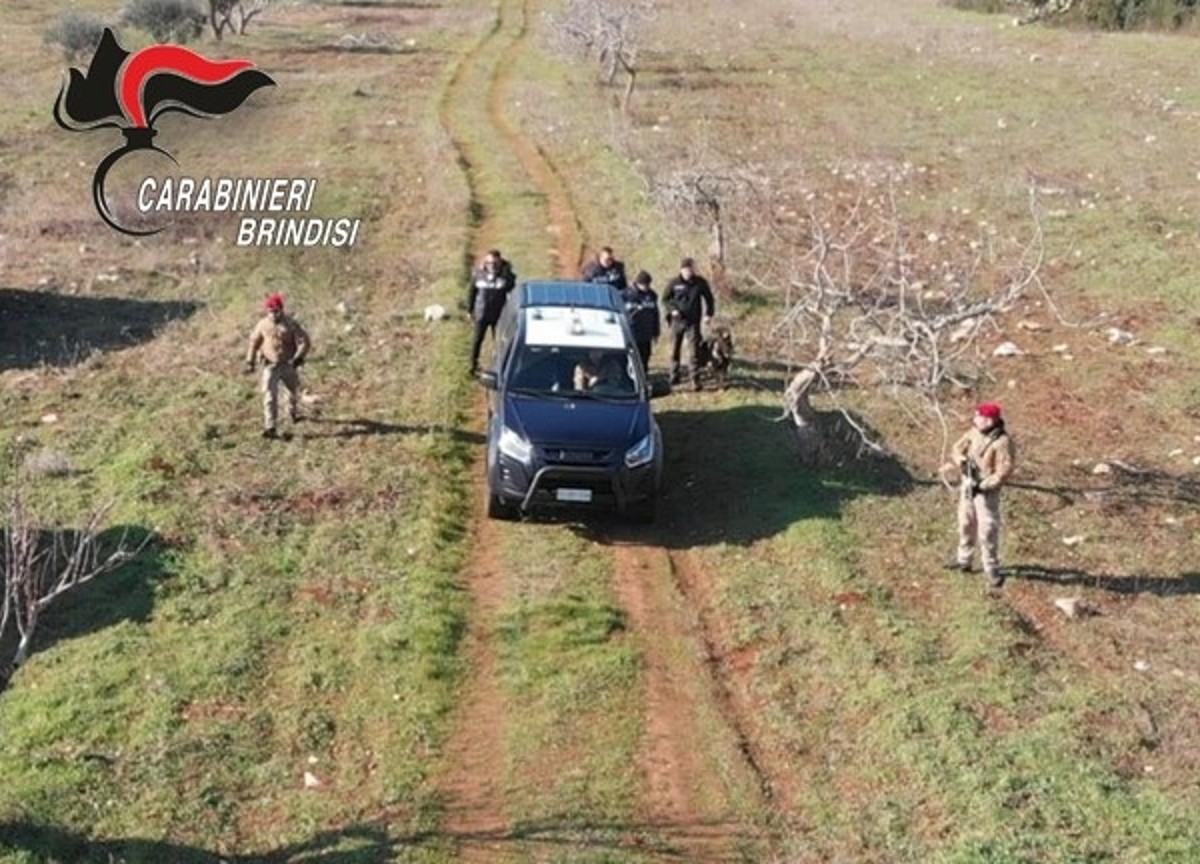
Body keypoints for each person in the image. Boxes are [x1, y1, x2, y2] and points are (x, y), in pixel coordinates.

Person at [940, 402, 1016, 588]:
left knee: (987, 529)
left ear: (989, 420)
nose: (975, 419)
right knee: (965, 523)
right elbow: (957, 447)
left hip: (986, 492)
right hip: (968, 484)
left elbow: (1004, 470)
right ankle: (963, 559)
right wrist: (961, 461)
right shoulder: (974, 432)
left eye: (979, 417)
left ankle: (991, 567)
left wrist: (985, 485)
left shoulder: (1002, 442)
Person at [245, 292, 311, 439]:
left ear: (281, 309)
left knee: (293, 391)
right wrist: (250, 361)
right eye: (270, 311)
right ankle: (270, 426)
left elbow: (305, 341)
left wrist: (299, 357)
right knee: (269, 395)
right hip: (270, 366)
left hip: (288, 364)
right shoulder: (262, 325)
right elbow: (253, 343)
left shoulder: (290, 324)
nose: (273, 314)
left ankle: (292, 413)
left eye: (276, 311)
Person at [663, 257, 715, 391]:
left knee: (694, 351)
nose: (688, 272)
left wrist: (708, 314)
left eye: (690, 270)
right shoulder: (674, 283)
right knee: (675, 349)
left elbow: (709, 299)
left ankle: (695, 379)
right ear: (681, 270)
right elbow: (665, 299)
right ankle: (674, 375)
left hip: (693, 322)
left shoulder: (700, 283)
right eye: (686, 270)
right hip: (677, 321)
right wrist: (672, 310)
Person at [467, 249, 516, 374]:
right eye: (489, 263)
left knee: (500, 342)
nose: (492, 266)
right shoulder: (478, 274)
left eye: (495, 263)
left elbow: (512, 287)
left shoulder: (505, 276)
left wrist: (506, 269)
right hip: (481, 314)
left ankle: (501, 367)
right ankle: (472, 366)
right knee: (477, 340)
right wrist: (470, 310)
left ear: (500, 262)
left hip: (499, 316)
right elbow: (472, 293)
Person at [622, 269, 660, 373]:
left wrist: (656, 332)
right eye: (644, 285)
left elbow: (655, 314)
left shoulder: (652, 295)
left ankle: (643, 377)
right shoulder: (626, 295)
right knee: (632, 357)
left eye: (648, 285)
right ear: (638, 283)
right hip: (632, 332)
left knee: (645, 356)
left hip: (647, 332)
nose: (646, 287)